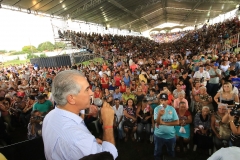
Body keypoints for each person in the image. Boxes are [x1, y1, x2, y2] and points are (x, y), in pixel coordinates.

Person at [42, 70, 118, 160]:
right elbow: (110, 156)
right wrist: (108, 124)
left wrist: (91, 144)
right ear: (71, 98)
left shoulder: (50, 116)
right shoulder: (78, 140)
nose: (91, 93)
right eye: (86, 89)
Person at [154, 93, 179, 160]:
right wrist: (159, 115)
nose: (163, 102)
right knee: (157, 151)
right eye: (162, 100)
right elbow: (158, 122)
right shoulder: (156, 109)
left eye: (165, 100)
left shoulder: (172, 109)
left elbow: (177, 122)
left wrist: (164, 123)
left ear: (168, 101)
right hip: (159, 135)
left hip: (170, 135)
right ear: (159, 101)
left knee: (171, 151)